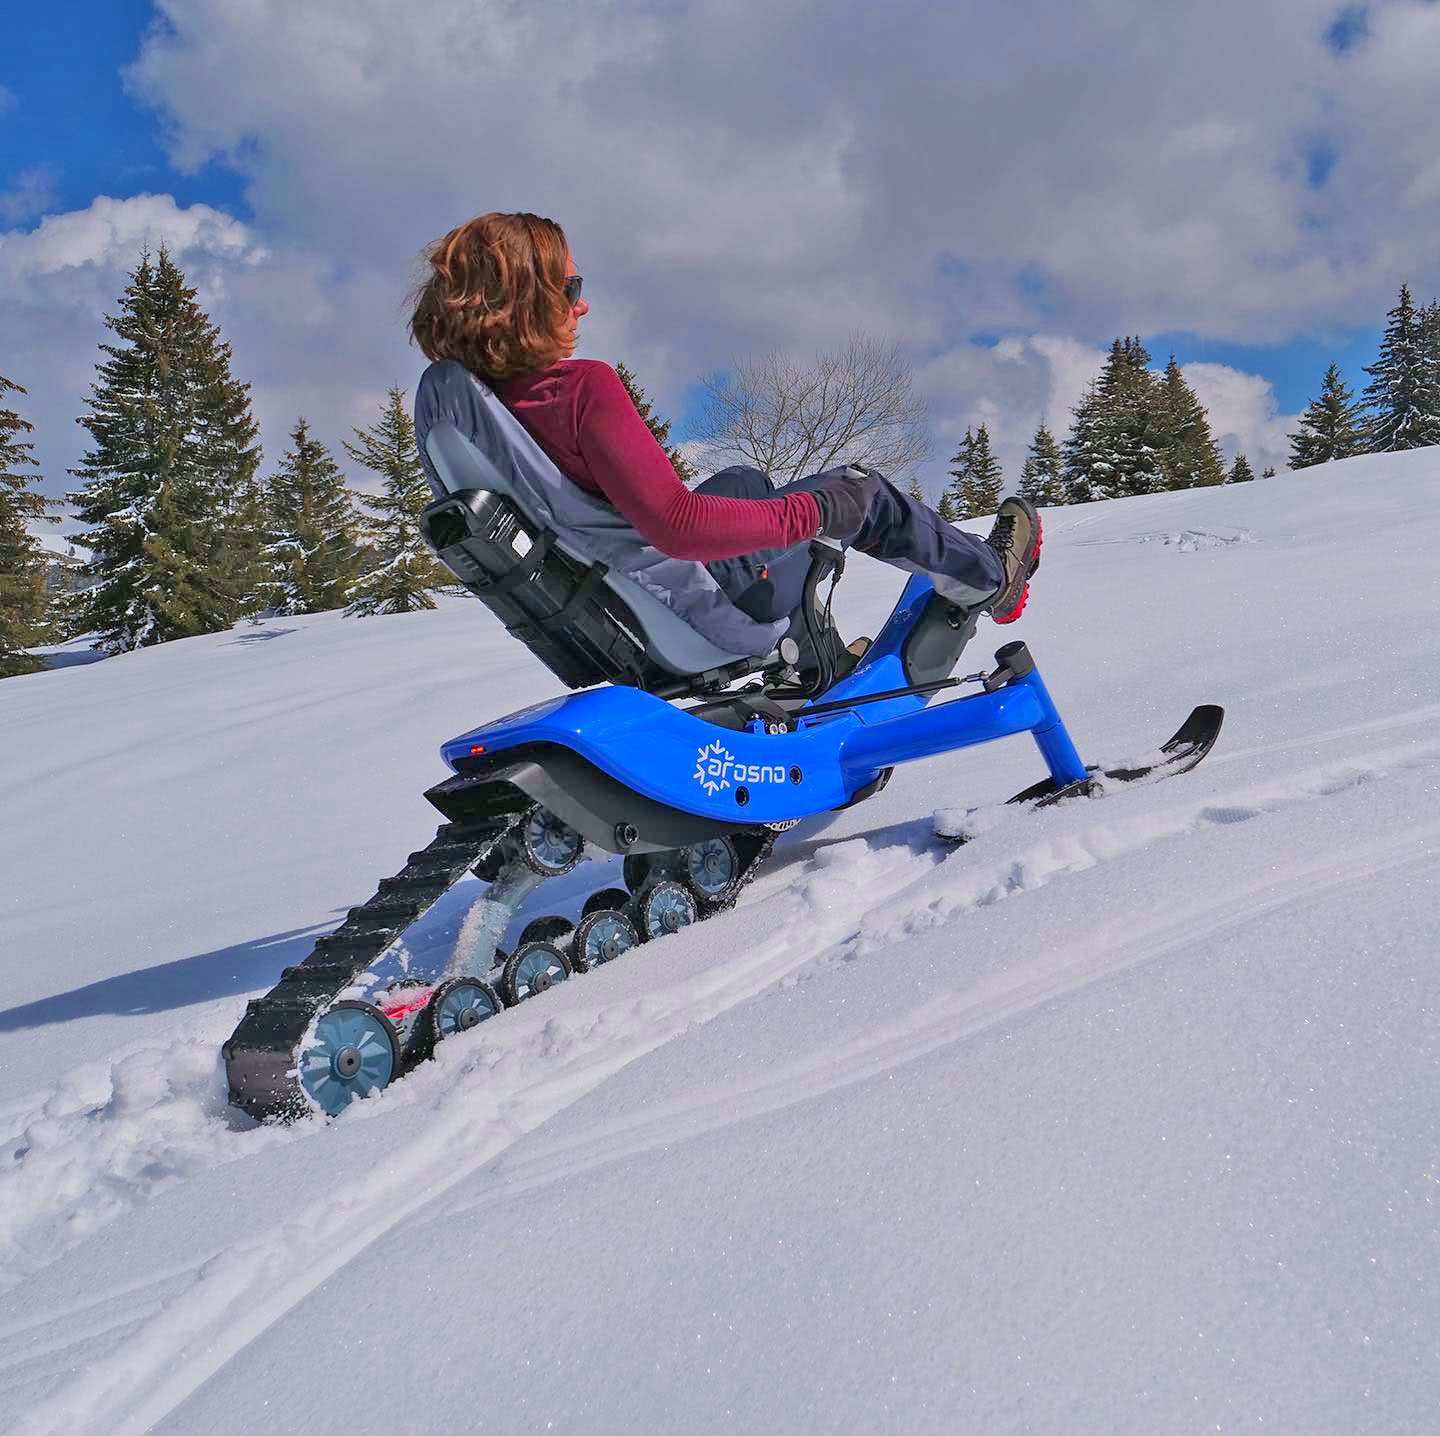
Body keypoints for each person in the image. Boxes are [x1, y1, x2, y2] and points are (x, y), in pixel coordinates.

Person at [408, 212, 1041, 672]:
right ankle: (991, 580)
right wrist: (823, 510)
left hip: (608, 611)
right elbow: (678, 528)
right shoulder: (580, 391)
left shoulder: (469, 410)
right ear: (524, 300)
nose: (582, 307)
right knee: (862, 493)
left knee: (740, 481)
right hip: (697, 610)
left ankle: (812, 655)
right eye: (570, 290)